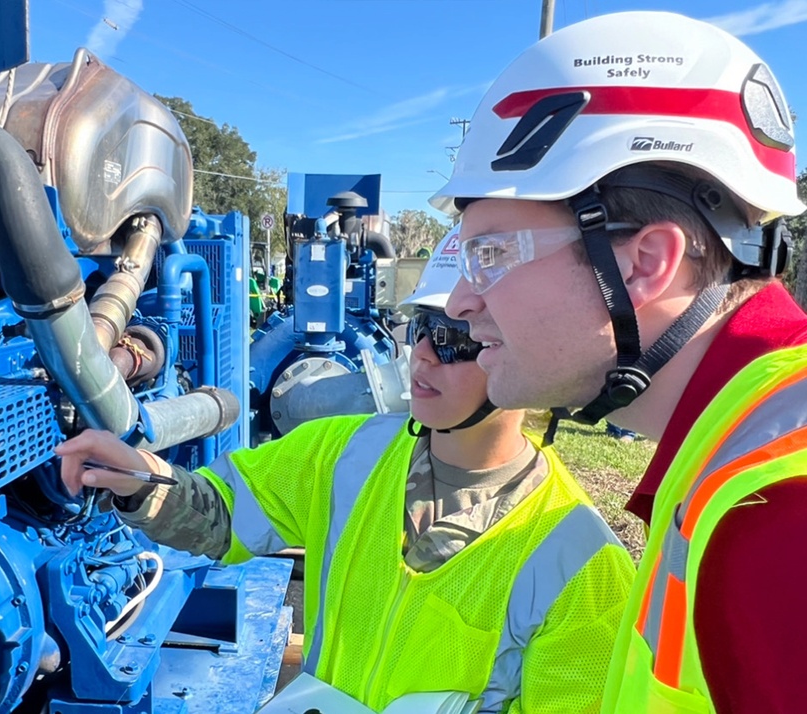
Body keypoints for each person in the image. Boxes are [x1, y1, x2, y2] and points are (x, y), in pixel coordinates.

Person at [57, 227, 634, 713]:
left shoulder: (581, 565)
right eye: (422, 327)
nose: (426, 354)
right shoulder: (345, 452)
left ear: (525, 355)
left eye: (456, 339)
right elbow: (225, 516)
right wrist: (142, 479)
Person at [434, 11, 806, 713]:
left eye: (488, 255)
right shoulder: (734, 454)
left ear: (643, 264)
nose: (458, 302)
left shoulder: (780, 513)